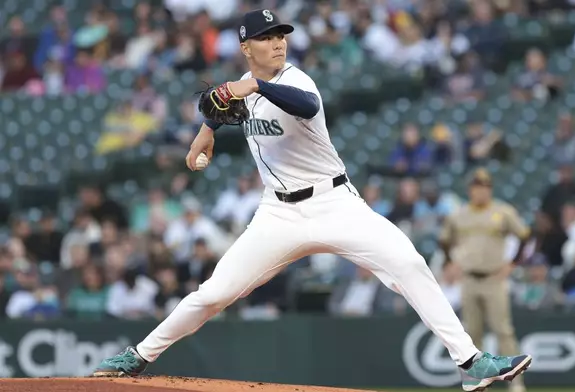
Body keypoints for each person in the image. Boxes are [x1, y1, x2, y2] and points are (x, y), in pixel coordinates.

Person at [94, 10, 531, 391]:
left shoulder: (294, 79)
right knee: (214, 294)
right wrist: (205, 133)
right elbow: (219, 105)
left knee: (408, 263)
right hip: (277, 213)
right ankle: (138, 355)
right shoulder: (244, 85)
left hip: (334, 203)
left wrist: (253, 90)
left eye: (281, 34)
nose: (278, 42)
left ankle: (472, 364)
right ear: (246, 47)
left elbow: (303, 105)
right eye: (266, 37)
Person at [440, 168, 531, 392]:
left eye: (485, 186)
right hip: (468, 278)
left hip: (494, 278)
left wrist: (512, 264)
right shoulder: (458, 214)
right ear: (470, 189)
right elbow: (444, 240)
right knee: (472, 334)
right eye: (477, 186)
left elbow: (526, 237)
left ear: (490, 189)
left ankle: (516, 384)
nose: (481, 191)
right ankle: (479, 383)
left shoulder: (503, 211)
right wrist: (449, 261)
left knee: (503, 330)